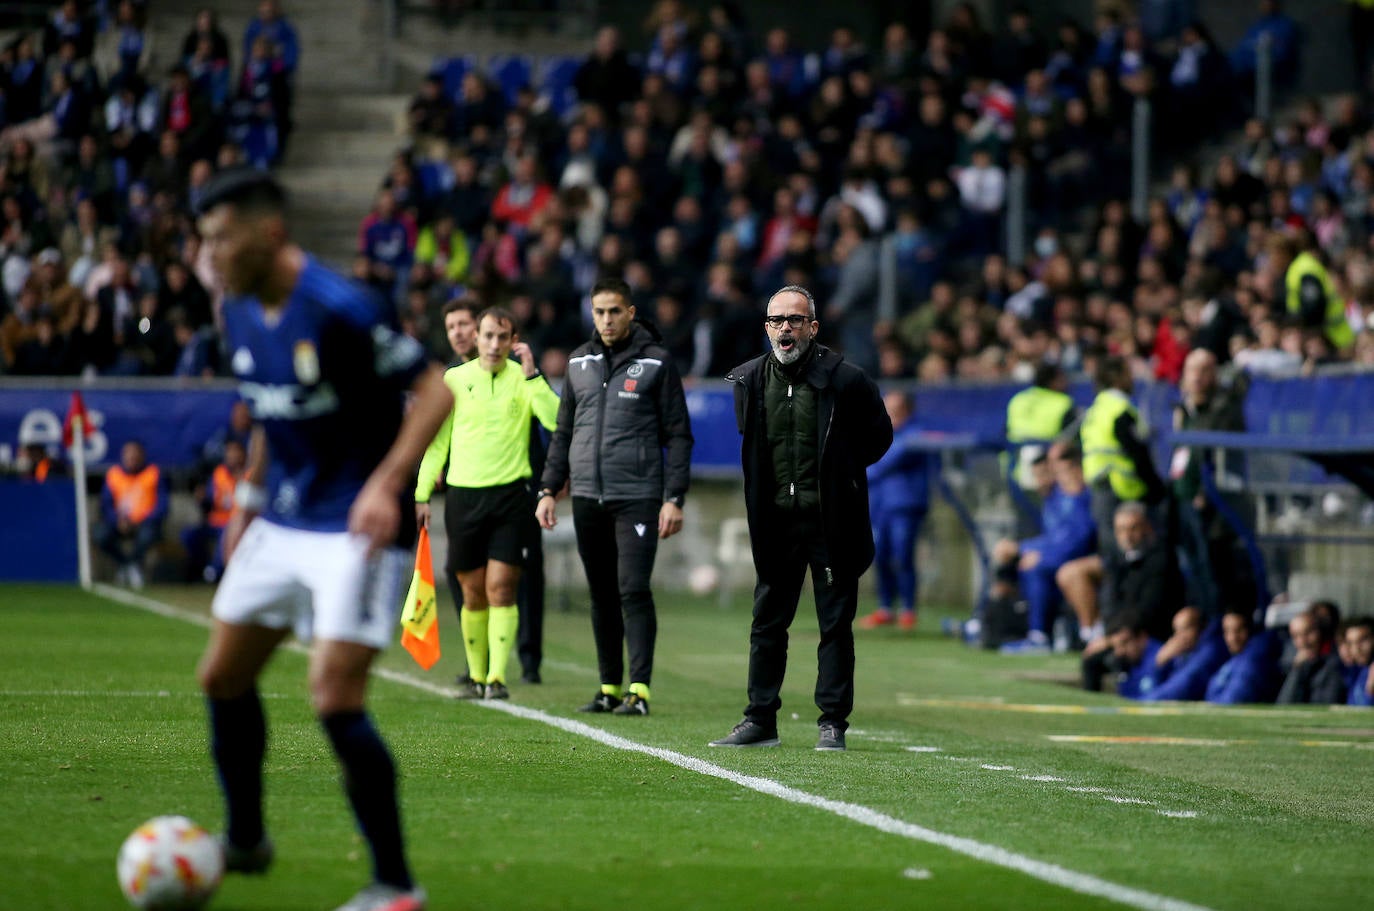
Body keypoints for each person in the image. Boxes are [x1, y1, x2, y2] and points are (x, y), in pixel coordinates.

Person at [193, 167, 452, 911]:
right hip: (282, 518)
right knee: (221, 675)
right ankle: (245, 839)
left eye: (221, 236)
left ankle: (396, 886)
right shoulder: (238, 310)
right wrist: (246, 498)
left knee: (333, 692)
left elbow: (436, 388)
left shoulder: (340, 304)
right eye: (204, 239)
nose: (210, 253)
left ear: (268, 233)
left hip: (357, 526)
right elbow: (276, 415)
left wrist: (385, 482)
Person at [709, 285, 892, 752]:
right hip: (776, 524)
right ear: (766, 327)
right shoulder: (749, 380)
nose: (785, 328)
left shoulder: (846, 379)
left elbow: (879, 437)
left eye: (794, 319)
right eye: (776, 320)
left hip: (831, 525)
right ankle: (760, 720)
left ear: (813, 326)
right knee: (767, 622)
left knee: (834, 625)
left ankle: (832, 722)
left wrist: (841, 478)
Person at [536, 276, 694, 716]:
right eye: (599, 311)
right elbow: (563, 431)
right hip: (586, 495)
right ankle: (608, 687)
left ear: (631, 313)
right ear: (592, 314)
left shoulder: (658, 363)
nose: (606, 319)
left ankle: (638, 690)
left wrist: (673, 497)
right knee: (601, 593)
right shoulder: (577, 363)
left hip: (638, 495)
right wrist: (549, 489)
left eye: (614, 311)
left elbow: (679, 435)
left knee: (632, 589)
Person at [415, 306, 560, 701]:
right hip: (463, 498)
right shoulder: (454, 379)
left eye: (503, 337)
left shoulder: (523, 379)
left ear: (514, 342)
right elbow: (438, 442)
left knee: (501, 587)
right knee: (472, 590)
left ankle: (497, 678)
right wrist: (422, 492)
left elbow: (556, 421)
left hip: (511, 497)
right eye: (488, 336)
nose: (495, 344)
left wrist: (534, 377)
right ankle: (477, 675)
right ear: (476, 338)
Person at [994, 444, 1097, 655]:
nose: (1039, 480)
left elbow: (1077, 540)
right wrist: (1025, 548)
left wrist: (1031, 552)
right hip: (1063, 556)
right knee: (1014, 564)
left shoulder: (1077, 496)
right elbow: (1053, 538)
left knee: (1034, 566)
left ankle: (1040, 636)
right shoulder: (1051, 499)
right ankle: (996, 624)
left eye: (1046, 472)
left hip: (1084, 557)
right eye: (1035, 475)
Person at [1170, 349, 1250, 617]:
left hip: (1215, 506)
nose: (1197, 377)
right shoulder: (1184, 409)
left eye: (1204, 370)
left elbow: (1224, 456)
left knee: (1215, 569)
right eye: (1192, 369)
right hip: (1184, 498)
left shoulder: (1224, 407)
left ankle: (1219, 624)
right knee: (1193, 568)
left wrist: (1206, 492)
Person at [858, 390, 933, 632]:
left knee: (903, 556)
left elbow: (881, 464)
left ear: (905, 410)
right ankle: (886, 608)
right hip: (880, 504)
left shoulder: (915, 435)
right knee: (879, 555)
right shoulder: (881, 432)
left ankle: (908, 610)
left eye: (892, 408)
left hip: (905, 504)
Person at [1077, 355, 1166, 556]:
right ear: (1117, 377)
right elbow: (1137, 453)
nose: (1132, 379)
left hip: (1100, 489)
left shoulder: (1095, 410)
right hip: (1125, 491)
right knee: (1140, 554)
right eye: (1128, 374)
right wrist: (1156, 489)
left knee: (1112, 556)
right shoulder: (1120, 409)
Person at [96, 439, 168, 589]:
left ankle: (130, 565)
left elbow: (162, 506)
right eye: (129, 455)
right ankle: (127, 564)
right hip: (119, 523)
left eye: (135, 456)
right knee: (100, 535)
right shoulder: (114, 474)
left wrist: (140, 520)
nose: (132, 459)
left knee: (147, 535)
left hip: (144, 523)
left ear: (142, 456)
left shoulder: (153, 473)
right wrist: (118, 520)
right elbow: (105, 504)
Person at [181, 437, 244, 583]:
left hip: (237, 523)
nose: (232, 455)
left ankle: (213, 572)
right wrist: (202, 498)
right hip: (216, 521)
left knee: (226, 533)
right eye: (229, 452)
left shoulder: (250, 474)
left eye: (236, 452)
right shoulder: (219, 473)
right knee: (189, 534)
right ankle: (199, 568)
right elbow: (210, 500)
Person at [1204, 609, 1280, 704]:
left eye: (1238, 630)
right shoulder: (1234, 660)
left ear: (1249, 630)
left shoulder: (1254, 661)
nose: (1232, 638)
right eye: (1227, 631)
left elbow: (1231, 701)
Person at [1276, 608, 1347, 705]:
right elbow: (1283, 705)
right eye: (1296, 636)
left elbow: (1325, 705)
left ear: (1322, 632)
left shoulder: (1336, 662)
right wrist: (1297, 670)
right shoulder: (1289, 660)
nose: (1303, 642)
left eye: (1308, 633)